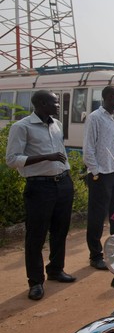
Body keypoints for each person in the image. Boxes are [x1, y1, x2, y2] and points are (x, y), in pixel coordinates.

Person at [5, 90, 76, 300]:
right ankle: (35, 282)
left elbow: (60, 153)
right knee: (36, 235)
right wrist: (46, 157)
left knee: (60, 230)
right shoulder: (22, 127)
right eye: (55, 102)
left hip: (63, 182)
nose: (58, 105)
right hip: (39, 187)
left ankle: (56, 269)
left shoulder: (56, 124)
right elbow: (12, 159)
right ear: (42, 104)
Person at [83, 86, 114, 271]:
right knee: (97, 216)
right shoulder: (95, 118)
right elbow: (88, 148)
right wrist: (96, 172)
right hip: (102, 174)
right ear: (110, 97)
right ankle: (95, 255)